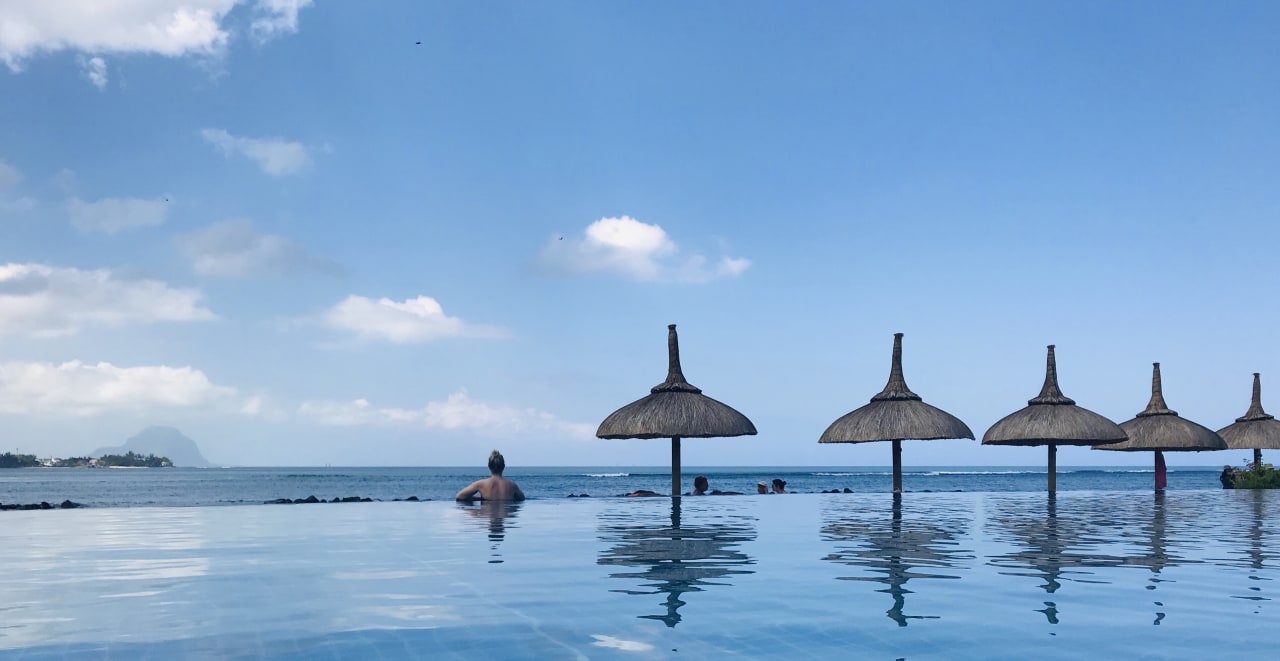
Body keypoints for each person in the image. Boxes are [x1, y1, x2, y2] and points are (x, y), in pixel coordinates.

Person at [455, 450, 525, 501]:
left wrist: (479, 499)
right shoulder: (512, 486)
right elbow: (522, 499)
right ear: (503, 466)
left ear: (489, 466)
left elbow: (459, 497)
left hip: (487, 513)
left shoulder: (480, 484)